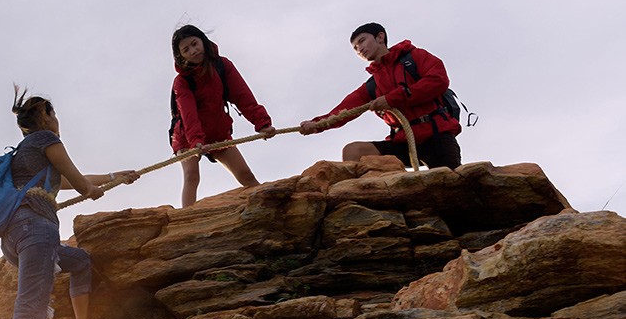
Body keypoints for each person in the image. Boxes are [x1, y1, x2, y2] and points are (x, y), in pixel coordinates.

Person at [1, 86, 139, 319]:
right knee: (29, 305)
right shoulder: (48, 141)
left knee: (80, 261)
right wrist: (91, 190)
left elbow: (66, 180)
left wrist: (114, 176)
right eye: (53, 113)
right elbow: (78, 183)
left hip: (17, 239)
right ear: (46, 117)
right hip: (36, 232)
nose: (57, 119)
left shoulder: (26, 154)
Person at [299, 22, 463, 169]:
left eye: (362, 41)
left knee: (454, 186)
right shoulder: (372, 86)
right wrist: (316, 124)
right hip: (402, 142)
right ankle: (357, 198)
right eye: (355, 48)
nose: (359, 49)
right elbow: (343, 111)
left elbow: (438, 80)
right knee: (354, 151)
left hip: (436, 135)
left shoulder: (414, 57)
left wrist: (391, 99)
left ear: (380, 37)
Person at [170, 24, 275, 207]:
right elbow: (188, 114)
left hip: (217, 132)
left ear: (202, 40)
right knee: (191, 175)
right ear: (181, 56)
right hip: (187, 135)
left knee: (245, 174)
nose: (193, 51)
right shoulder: (182, 81)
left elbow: (243, 96)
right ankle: (185, 219)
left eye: (195, 44)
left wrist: (262, 123)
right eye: (186, 50)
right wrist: (196, 140)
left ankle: (270, 206)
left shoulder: (222, 65)